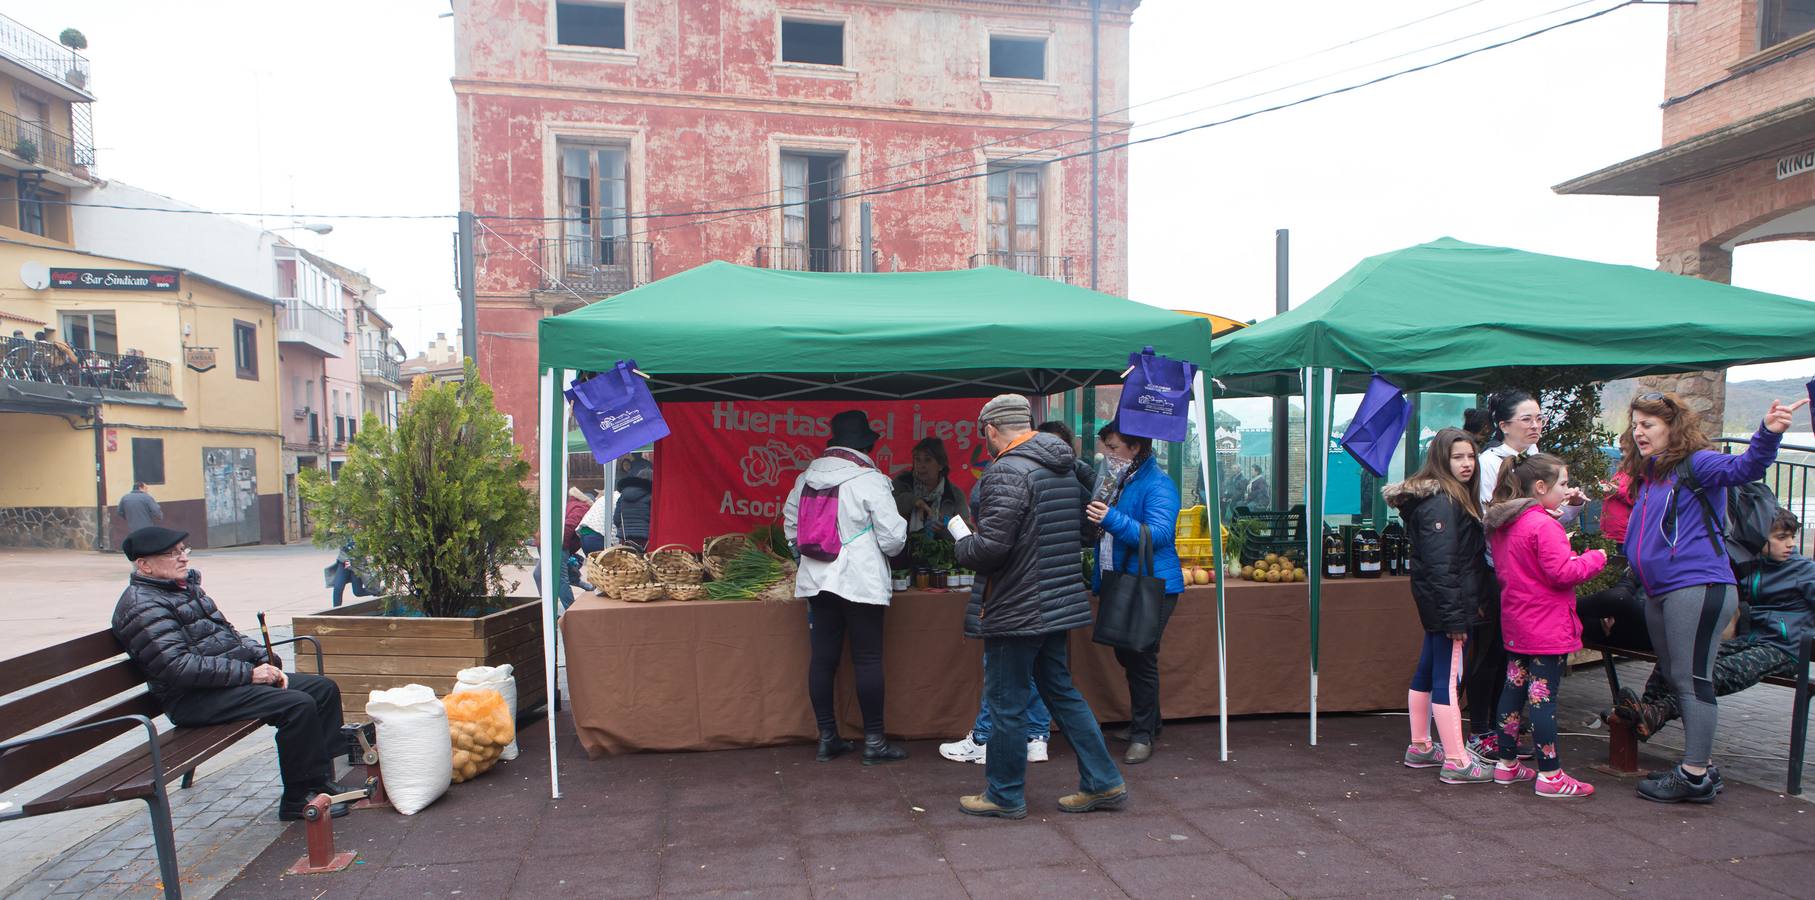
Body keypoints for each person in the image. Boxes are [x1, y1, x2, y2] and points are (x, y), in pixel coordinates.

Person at [1615, 391, 1802, 803]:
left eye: (1648, 424)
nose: (1638, 431)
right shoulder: (1651, 473)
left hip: (1698, 586)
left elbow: (1746, 466)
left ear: (1672, 427)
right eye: (1636, 424)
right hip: (1660, 592)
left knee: (1691, 678)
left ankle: (1695, 774)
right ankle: (1701, 765)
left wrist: (1767, 433)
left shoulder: (1697, 463)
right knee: (1675, 674)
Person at [952, 394, 1124, 819]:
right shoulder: (1065, 469)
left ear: (991, 430)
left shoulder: (1006, 472)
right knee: (1061, 692)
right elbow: (1087, 532)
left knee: (1007, 701)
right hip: (1057, 600)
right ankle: (1103, 781)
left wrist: (961, 543)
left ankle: (1004, 795)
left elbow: (991, 548)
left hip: (1016, 605)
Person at [111, 527, 351, 821]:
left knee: (321, 689)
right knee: (296, 704)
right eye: (171, 554)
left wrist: (263, 656)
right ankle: (297, 798)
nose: (183, 559)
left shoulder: (184, 589)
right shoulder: (141, 606)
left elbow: (230, 635)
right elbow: (178, 667)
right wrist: (250, 674)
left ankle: (319, 781)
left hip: (222, 685)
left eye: (184, 550)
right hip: (192, 699)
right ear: (144, 565)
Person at [783, 410, 909, 764]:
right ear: (865, 445)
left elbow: (791, 529)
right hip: (859, 579)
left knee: (822, 660)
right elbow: (894, 538)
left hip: (816, 579)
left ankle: (828, 738)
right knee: (867, 658)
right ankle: (874, 743)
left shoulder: (805, 479)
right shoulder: (869, 480)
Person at [1464, 389, 1586, 757]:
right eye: (1527, 419)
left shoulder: (1538, 461)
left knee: (1519, 659)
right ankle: (1482, 729)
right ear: (1503, 425)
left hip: (1537, 575)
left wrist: (1570, 507)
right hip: (1496, 570)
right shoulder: (1489, 463)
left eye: (1539, 418)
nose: (1535, 426)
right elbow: (1492, 519)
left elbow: (1546, 518)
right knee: (1492, 652)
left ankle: (1511, 735)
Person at [1482, 453, 1607, 798]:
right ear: (1540, 487)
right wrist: (1595, 558)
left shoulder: (1504, 524)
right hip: (1547, 625)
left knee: (1513, 689)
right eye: (1563, 484)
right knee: (1543, 698)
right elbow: (1562, 573)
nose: (1567, 491)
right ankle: (1550, 773)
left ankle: (1506, 764)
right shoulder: (1543, 525)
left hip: (1518, 621)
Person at [1382, 427, 1493, 784]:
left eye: (1470, 456)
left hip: (1441, 606)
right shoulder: (1444, 502)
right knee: (1446, 678)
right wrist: (1454, 617)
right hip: (1450, 607)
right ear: (1440, 460)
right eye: (1457, 457)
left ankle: (1421, 745)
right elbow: (1442, 565)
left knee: (1429, 671)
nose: (1467, 464)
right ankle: (1458, 760)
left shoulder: (1442, 499)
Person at [1087, 420, 1184, 766]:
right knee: (1130, 655)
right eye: (1106, 448)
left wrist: (1110, 518)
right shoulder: (1120, 481)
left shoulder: (1159, 485)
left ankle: (1143, 734)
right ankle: (1149, 724)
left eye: (1113, 448)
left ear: (1136, 448)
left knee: (1140, 656)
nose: (1106, 455)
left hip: (1153, 583)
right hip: (1123, 580)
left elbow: (1158, 535)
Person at [1575, 472, 1650, 651]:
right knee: (1619, 596)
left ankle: (1562, 607)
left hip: (1653, 626)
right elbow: (1630, 580)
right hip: (1622, 620)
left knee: (1618, 598)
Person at [893, 437, 971, 540]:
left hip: (940, 554)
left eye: (928, 460)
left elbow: (965, 534)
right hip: (903, 552)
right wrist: (913, 501)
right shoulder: (902, 482)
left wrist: (945, 529)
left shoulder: (954, 495)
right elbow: (888, 508)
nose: (921, 465)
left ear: (941, 465)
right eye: (917, 459)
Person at [324, 539, 374, 607]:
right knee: (338, 587)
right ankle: (336, 612)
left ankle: (379, 591)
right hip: (345, 561)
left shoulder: (362, 531)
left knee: (358, 591)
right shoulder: (343, 529)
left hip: (356, 564)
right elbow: (330, 535)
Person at [613, 465, 652, 551]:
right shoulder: (651, 496)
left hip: (625, 537)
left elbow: (616, 518)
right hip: (645, 538)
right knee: (643, 562)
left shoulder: (623, 495)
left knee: (628, 562)